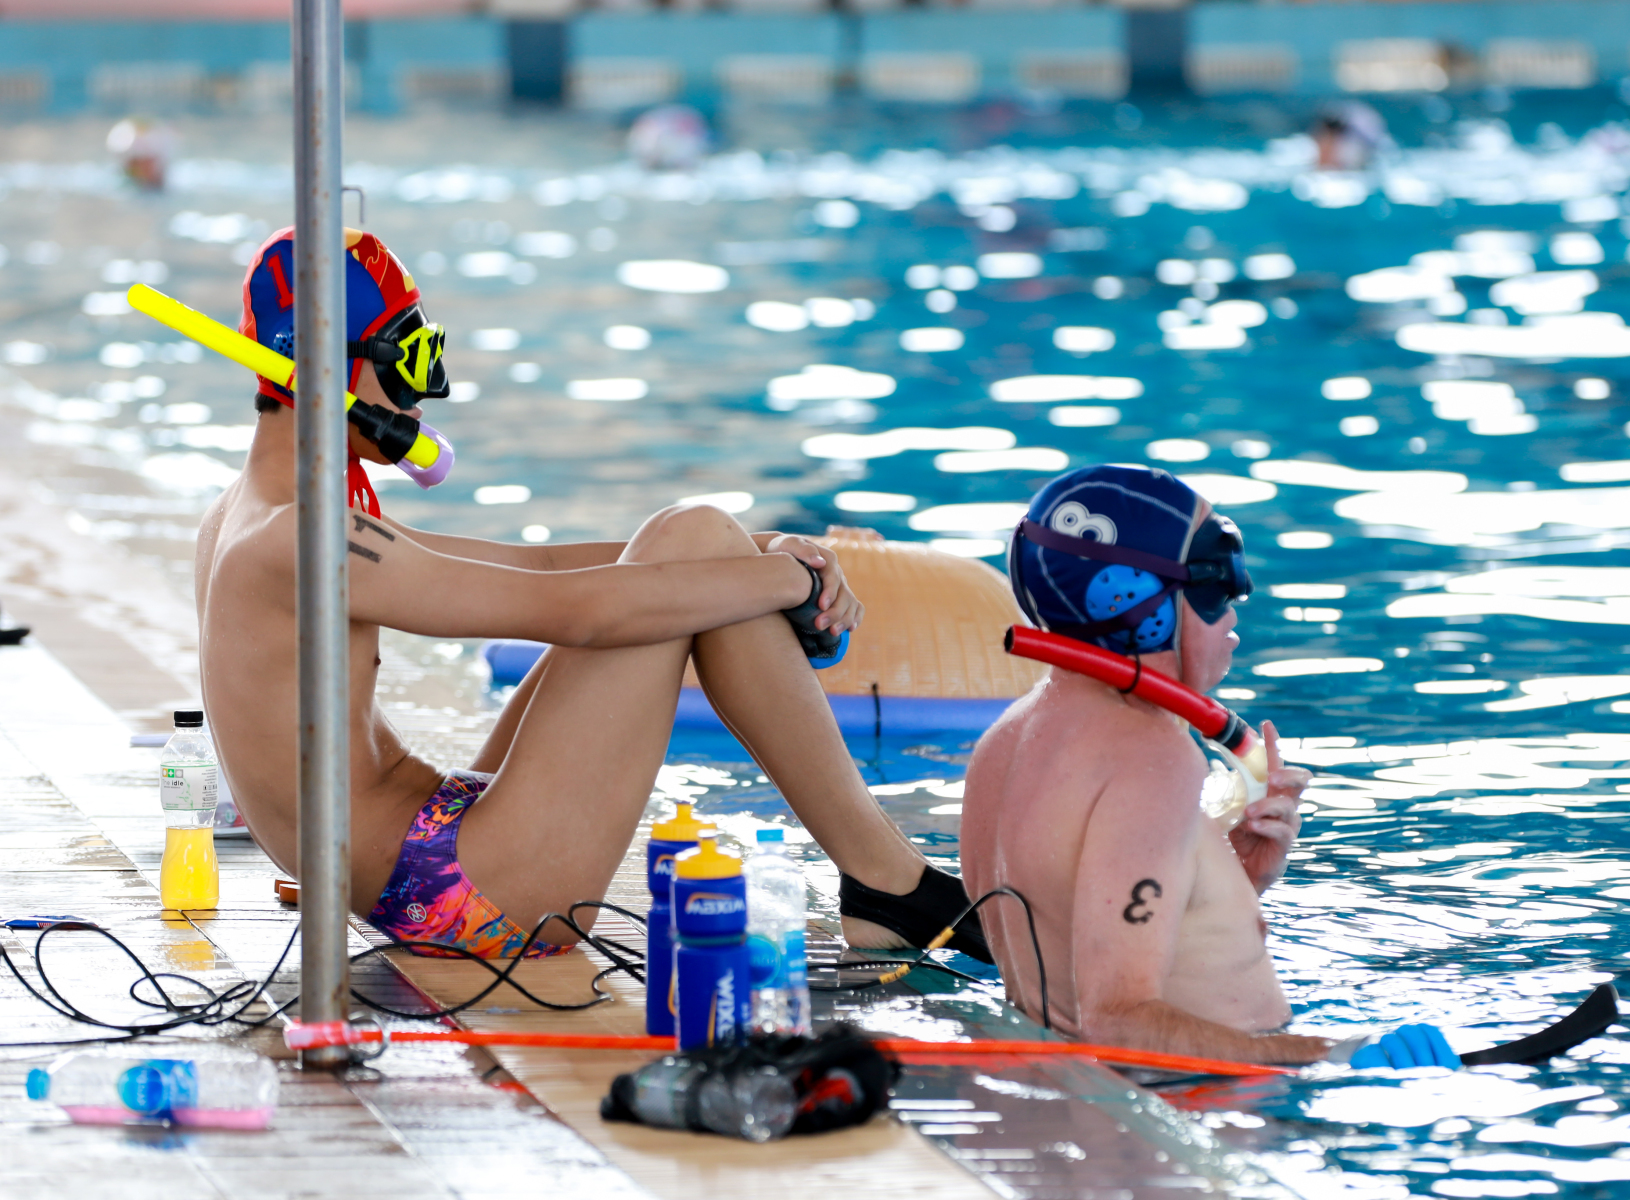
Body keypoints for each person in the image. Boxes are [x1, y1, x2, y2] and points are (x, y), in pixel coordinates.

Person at [195, 226, 987, 965]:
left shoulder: (256, 512)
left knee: (696, 538)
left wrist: (763, 549)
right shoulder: (300, 537)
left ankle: (886, 882)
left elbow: (535, 566)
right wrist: (787, 580)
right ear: (328, 370)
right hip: (451, 895)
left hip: (422, 848)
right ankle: (891, 885)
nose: (424, 395)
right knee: (694, 544)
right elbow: (582, 612)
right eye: (410, 359)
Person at [961, 466, 1452, 1067]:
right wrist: (1334, 1056)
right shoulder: (1149, 755)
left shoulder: (1005, 739)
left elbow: (1076, 939)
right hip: (1196, 1103)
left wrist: (1233, 875)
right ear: (1135, 602)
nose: (1235, 611)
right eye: (1216, 586)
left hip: (1074, 1090)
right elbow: (1115, 1023)